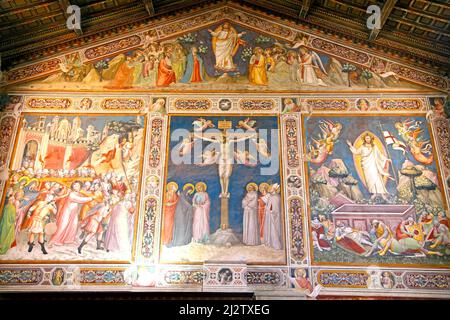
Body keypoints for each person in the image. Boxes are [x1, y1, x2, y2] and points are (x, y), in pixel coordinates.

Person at [347, 133, 392, 201]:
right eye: (366, 138)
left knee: (377, 178)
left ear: (371, 139)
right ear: (364, 139)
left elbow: (379, 154)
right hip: (366, 165)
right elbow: (356, 152)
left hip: (373, 164)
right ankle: (374, 193)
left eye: (368, 138)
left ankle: (381, 193)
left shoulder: (374, 146)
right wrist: (350, 145)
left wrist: (386, 159)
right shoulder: (362, 146)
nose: (367, 139)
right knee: (369, 179)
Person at [49, 181, 93, 246]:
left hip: (73, 212)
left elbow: (83, 196)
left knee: (73, 225)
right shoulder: (71, 194)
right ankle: (55, 240)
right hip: (67, 212)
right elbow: (80, 200)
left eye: (77, 186)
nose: (76, 187)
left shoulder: (78, 193)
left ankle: (68, 239)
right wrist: (91, 198)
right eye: (74, 185)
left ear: (80, 187)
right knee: (63, 226)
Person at [263, 184, 283, 250]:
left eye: (271, 188)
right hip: (269, 215)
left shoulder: (277, 197)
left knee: (274, 229)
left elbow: (276, 207)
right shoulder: (270, 197)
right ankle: (270, 242)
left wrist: (272, 211)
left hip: (274, 216)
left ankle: (276, 244)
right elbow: (268, 205)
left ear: (274, 189)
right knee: (269, 228)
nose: (269, 189)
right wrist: (267, 209)